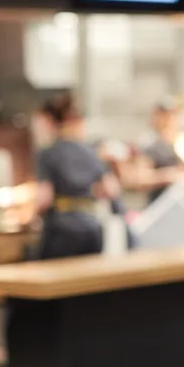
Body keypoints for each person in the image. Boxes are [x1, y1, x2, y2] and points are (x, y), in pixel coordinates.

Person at [34, 94, 122, 260]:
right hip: (93, 228)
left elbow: (44, 198)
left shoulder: (48, 153)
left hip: (62, 231)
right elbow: (111, 189)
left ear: (52, 122)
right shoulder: (91, 151)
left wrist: (32, 216)